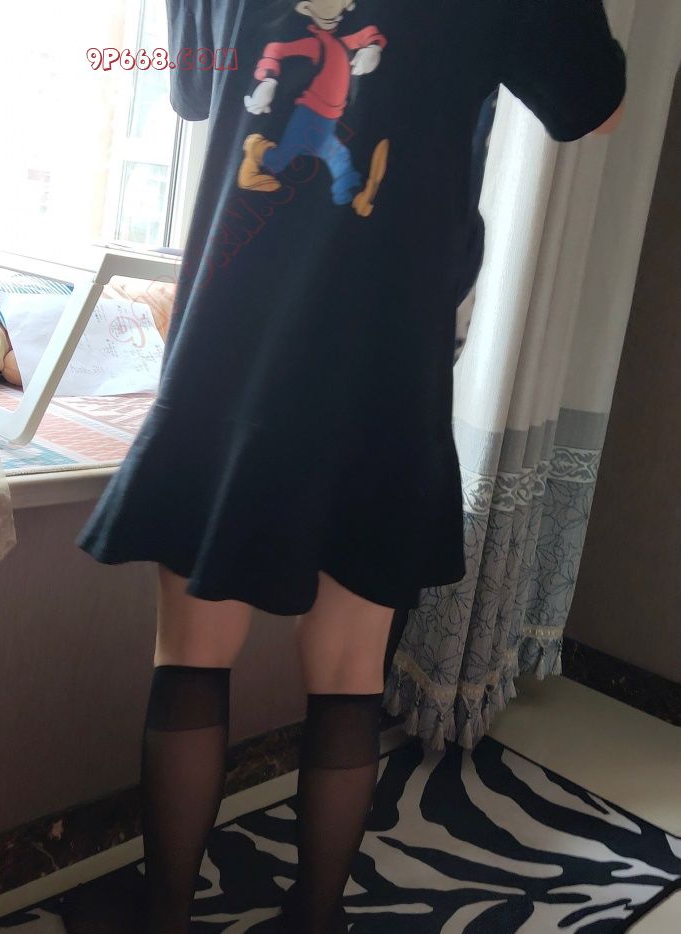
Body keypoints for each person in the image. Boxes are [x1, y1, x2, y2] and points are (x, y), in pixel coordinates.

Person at [75, 1, 626, 931]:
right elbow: (594, 104)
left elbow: (197, 92)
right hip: (385, 354)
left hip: (230, 340)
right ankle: (315, 918)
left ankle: (164, 917)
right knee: (348, 670)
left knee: (192, 656)